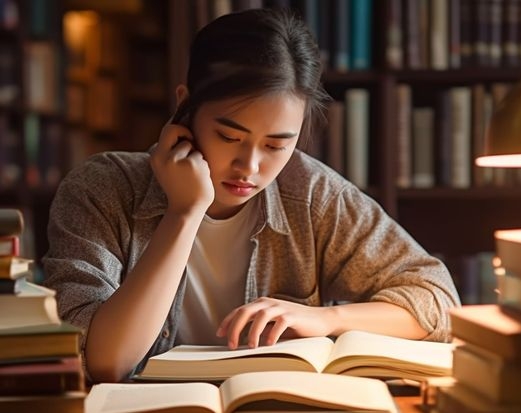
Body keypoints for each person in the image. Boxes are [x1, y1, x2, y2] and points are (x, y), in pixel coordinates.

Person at [43, 8, 460, 383]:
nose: (250, 166)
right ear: (184, 108)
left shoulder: (309, 191)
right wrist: (184, 214)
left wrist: (325, 319)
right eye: (229, 136)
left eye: (277, 145)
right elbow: (103, 362)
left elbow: (437, 300)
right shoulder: (102, 190)